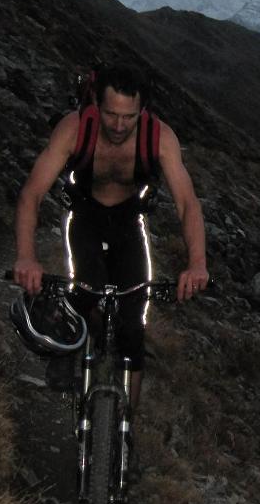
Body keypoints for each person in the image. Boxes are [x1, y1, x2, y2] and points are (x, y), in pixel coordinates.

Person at [13, 65, 208, 418]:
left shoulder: (160, 138)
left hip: (129, 222)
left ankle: (124, 428)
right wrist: (26, 257)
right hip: (84, 216)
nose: (119, 126)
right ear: (96, 107)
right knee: (88, 287)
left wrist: (197, 264)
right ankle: (69, 348)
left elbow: (187, 203)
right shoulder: (74, 129)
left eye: (129, 117)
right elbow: (32, 194)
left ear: (143, 111)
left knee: (134, 321)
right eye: (111, 115)